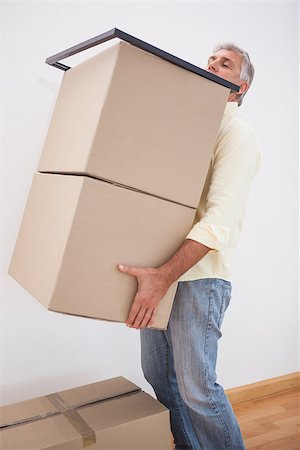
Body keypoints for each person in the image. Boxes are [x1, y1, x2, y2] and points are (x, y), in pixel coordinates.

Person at [118, 43, 260, 450]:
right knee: (162, 379)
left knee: (198, 390)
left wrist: (163, 277)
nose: (212, 65)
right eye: (211, 60)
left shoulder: (237, 134)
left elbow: (218, 223)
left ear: (239, 88)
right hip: (160, 275)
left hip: (199, 279)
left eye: (225, 64)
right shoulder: (190, 129)